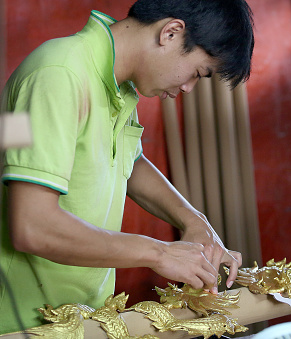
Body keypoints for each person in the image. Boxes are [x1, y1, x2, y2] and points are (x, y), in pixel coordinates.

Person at [0, 0, 254, 334]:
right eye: (197, 73)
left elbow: (129, 162)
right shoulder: (56, 74)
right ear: (171, 33)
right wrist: (160, 252)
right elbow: (31, 226)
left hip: (82, 315)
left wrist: (195, 221)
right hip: (21, 321)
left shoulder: (118, 85)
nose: (187, 88)